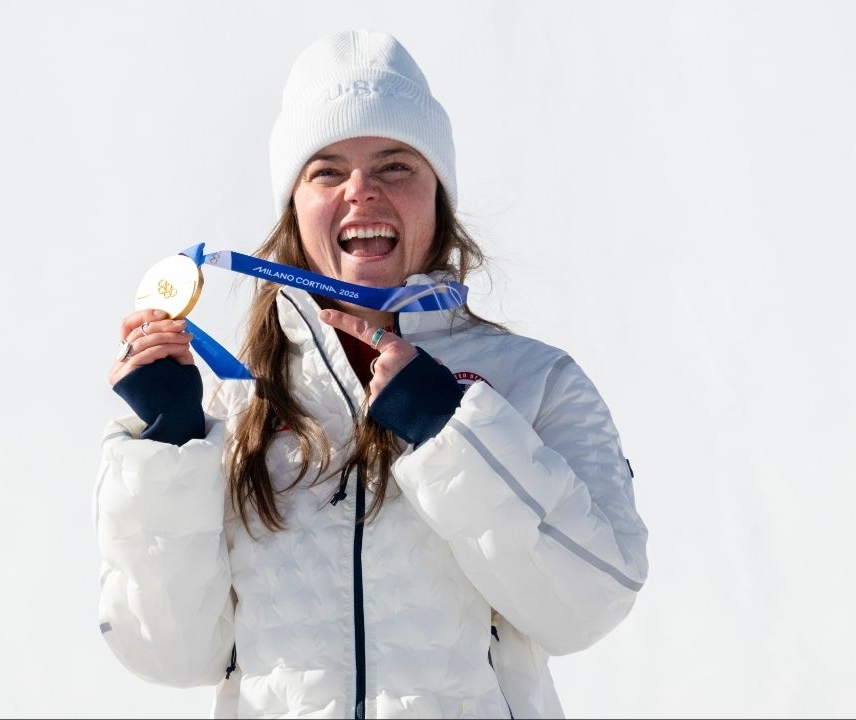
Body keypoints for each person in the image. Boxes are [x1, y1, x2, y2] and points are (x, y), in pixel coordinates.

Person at [95, 30, 648, 719]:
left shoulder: (534, 382)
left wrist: (449, 427)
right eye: (327, 170)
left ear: (438, 198)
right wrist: (170, 444)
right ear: (293, 210)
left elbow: (589, 604)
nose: (361, 191)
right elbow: (170, 654)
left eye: (395, 167)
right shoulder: (230, 407)